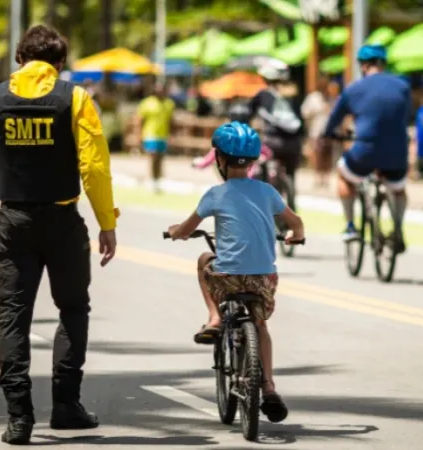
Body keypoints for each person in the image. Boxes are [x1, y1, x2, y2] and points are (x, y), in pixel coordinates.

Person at [0, 25, 119, 445]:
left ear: (19, 60)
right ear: (60, 64)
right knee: (73, 310)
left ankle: (19, 418)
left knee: (14, 317)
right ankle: (65, 406)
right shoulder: (75, 99)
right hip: (64, 223)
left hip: (13, 223)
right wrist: (107, 224)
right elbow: (95, 168)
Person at [166, 121, 304, 425]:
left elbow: (187, 229)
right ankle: (268, 386)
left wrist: (176, 231)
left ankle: (214, 317)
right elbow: (295, 223)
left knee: (205, 259)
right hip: (264, 280)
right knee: (261, 326)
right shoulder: (268, 192)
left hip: (227, 278)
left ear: (220, 159)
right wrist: (295, 235)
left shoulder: (215, 195)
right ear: (253, 161)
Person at [321, 45, 410, 251]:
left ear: (362, 65)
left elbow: (333, 121)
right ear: (383, 63)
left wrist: (329, 134)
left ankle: (351, 226)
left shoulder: (353, 89)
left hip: (365, 152)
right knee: (398, 188)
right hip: (397, 153)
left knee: (344, 175)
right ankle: (398, 228)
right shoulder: (403, 86)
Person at [245, 59, 304, 209]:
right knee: (290, 173)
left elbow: (246, 114)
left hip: (272, 142)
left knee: (257, 165)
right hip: (295, 144)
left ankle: (263, 199)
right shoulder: (294, 93)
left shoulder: (263, 95)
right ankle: (291, 202)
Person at [136, 82, 175, 193]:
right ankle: (152, 180)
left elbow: (170, 121)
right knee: (153, 157)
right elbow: (140, 120)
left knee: (160, 159)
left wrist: (171, 135)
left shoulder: (169, 103)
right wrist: (139, 134)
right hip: (150, 135)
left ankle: (158, 180)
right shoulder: (147, 103)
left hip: (163, 135)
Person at [301, 77, 334, 188]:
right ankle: (318, 178)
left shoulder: (331, 98)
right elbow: (305, 112)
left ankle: (326, 178)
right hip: (316, 131)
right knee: (317, 155)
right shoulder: (313, 98)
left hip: (329, 132)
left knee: (327, 156)